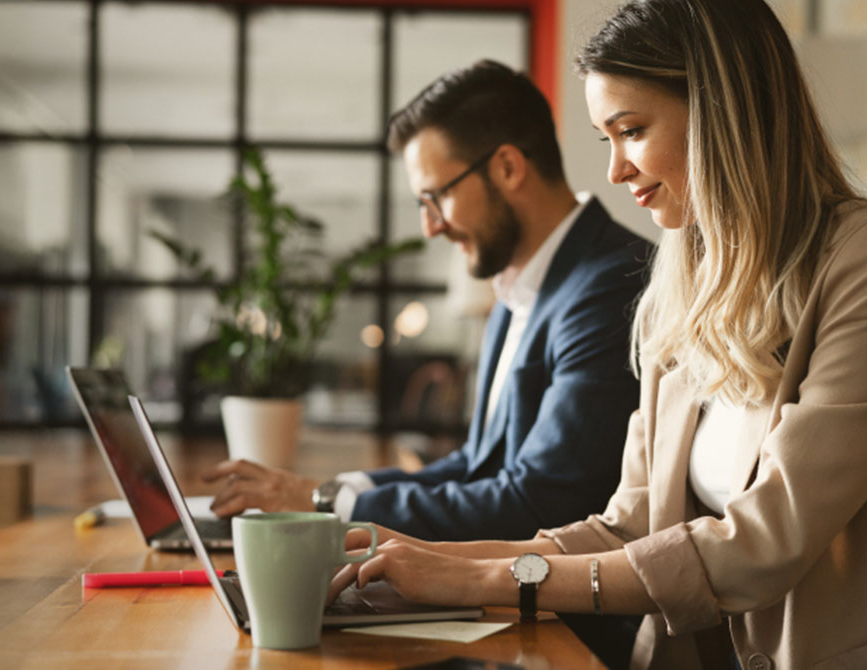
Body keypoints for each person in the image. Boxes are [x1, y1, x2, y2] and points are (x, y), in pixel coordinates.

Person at [326, 2, 867, 670]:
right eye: (607, 137)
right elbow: (626, 525)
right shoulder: (682, 275)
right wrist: (425, 561)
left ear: (726, 110)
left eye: (631, 131)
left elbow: (764, 543)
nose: (613, 170)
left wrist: (482, 579)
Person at [204, 60, 653, 546]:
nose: (430, 226)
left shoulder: (612, 285)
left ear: (507, 167)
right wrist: (329, 491)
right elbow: (477, 465)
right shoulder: (515, 289)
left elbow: (539, 501)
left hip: (557, 615)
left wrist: (322, 503)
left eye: (435, 197)